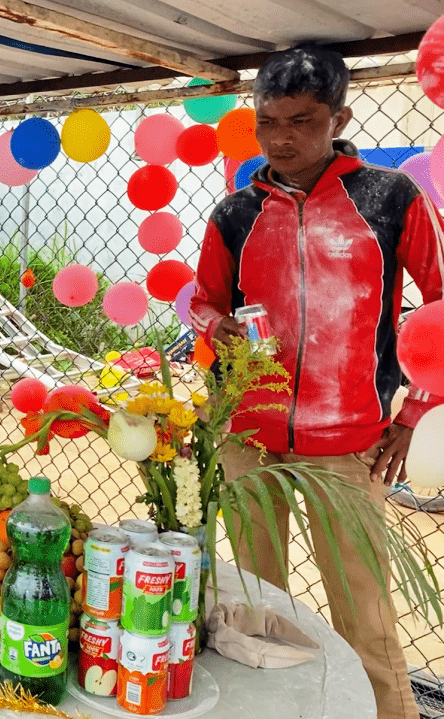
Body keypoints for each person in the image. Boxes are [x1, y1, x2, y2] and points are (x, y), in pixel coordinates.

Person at [190, 45, 443, 719]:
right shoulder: (235, 212)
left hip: (347, 442)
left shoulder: (391, 198)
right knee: (258, 613)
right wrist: (218, 329)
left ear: (340, 117)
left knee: (363, 615)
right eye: (268, 121)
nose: (281, 137)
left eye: (302, 119)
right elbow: (203, 300)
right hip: (246, 437)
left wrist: (415, 412)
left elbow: (443, 308)